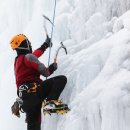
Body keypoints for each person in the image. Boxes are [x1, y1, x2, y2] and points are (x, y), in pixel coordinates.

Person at [10, 34, 67, 130]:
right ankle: (50, 103)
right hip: (34, 92)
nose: (30, 44)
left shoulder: (18, 62)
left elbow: (34, 55)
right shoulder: (28, 57)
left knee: (33, 127)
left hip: (25, 101)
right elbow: (46, 72)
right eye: (28, 42)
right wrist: (52, 68)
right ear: (24, 44)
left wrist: (45, 45)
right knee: (61, 79)